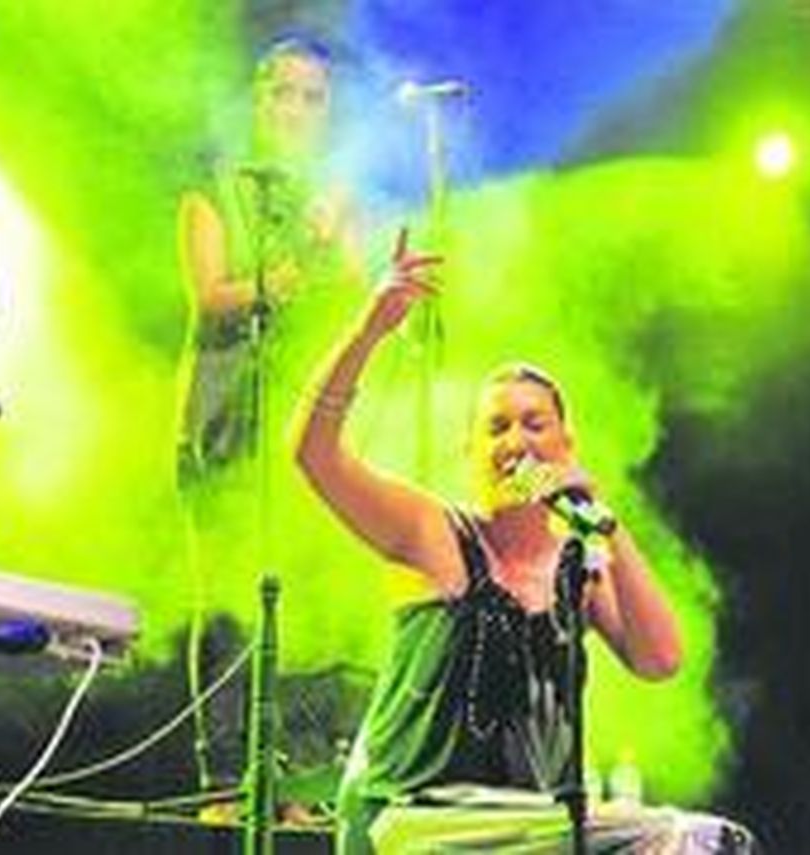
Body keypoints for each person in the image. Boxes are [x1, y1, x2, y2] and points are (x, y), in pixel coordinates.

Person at [293, 234, 684, 853]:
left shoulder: (580, 566)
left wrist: (607, 524)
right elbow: (313, 454)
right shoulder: (435, 532)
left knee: (698, 840)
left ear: (566, 446)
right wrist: (368, 332)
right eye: (496, 427)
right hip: (409, 816)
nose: (516, 442)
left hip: (521, 824)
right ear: (470, 451)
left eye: (535, 424)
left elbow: (659, 660)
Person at [175, 31, 365, 793]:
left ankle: (303, 777)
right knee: (227, 592)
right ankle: (225, 774)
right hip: (226, 415)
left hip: (306, 421)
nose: (296, 109)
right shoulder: (215, 186)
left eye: (313, 97)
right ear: (256, 100)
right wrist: (291, 267)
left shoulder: (335, 200)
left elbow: (357, 299)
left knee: (308, 587)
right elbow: (209, 294)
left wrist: (336, 245)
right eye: (282, 92)